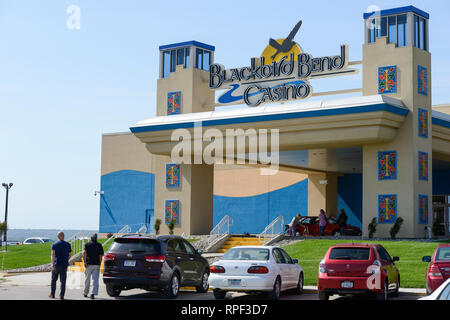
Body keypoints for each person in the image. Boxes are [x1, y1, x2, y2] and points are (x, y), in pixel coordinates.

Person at [49, 231, 72, 299]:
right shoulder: (68, 244)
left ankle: (52, 294)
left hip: (56, 264)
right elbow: (70, 255)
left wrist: (52, 264)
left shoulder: (54, 244)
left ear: (58, 237)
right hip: (64, 265)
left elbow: (52, 255)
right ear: (63, 236)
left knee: (53, 280)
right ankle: (61, 295)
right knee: (63, 281)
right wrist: (66, 260)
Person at [83, 233, 104, 299]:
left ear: (91, 238)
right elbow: (100, 255)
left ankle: (85, 293)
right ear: (96, 238)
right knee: (95, 280)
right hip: (96, 264)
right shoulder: (99, 245)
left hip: (88, 264)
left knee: (87, 279)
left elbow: (84, 253)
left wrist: (84, 262)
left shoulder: (87, 244)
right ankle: (93, 294)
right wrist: (100, 263)